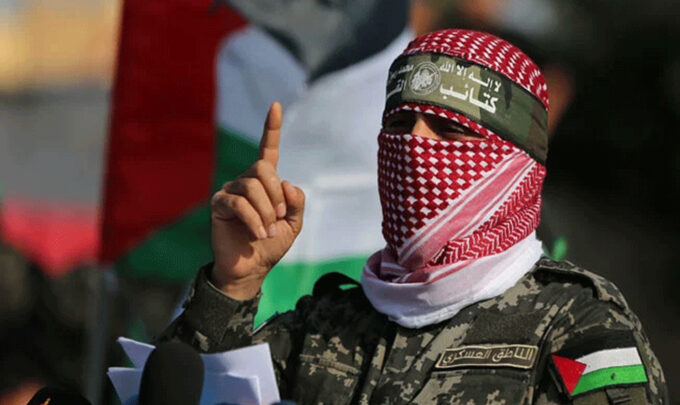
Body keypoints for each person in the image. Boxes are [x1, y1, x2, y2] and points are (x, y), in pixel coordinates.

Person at [161, 30, 667, 404]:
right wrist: (235, 283)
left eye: (449, 130)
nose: (414, 144)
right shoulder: (325, 324)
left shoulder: (576, 327)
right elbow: (188, 389)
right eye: (401, 122)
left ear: (513, 163)